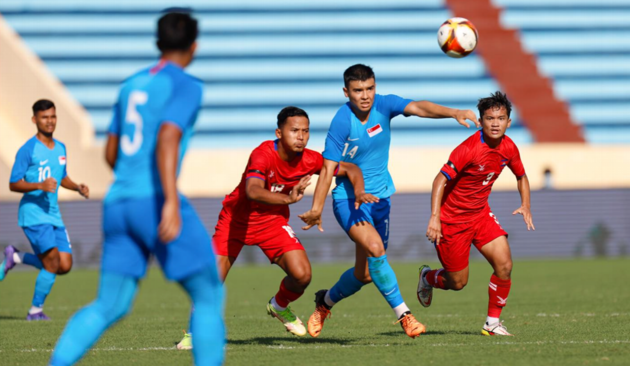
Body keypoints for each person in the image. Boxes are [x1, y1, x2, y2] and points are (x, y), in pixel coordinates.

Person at [48, 12, 225, 366]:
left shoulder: (131, 84)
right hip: (155, 199)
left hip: (117, 203)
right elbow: (167, 137)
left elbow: (111, 152)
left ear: (158, 44)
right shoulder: (187, 85)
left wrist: (132, 180)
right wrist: (170, 201)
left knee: (109, 304)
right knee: (207, 296)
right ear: (194, 46)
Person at [299, 64, 479, 338]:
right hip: (349, 200)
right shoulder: (341, 120)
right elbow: (327, 169)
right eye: (358, 90)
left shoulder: (385, 105)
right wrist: (316, 208)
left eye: (370, 88)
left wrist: (454, 112)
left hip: (381, 199)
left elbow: (419, 107)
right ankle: (405, 316)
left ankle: (324, 303)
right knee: (375, 249)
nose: (365, 95)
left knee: (365, 275)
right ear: (346, 92)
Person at [176, 106, 375, 349]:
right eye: (294, 131)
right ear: (278, 133)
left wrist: (360, 191)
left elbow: (351, 169)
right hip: (236, 222)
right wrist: (288, 199)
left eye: (305, 131)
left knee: (302, 275)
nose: (301, 136)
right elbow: (252, 191)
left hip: (271, 223)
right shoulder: (262, 154)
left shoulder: (310, 159)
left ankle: (279, 305)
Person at [416, 91, 535, 336]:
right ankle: (428, 277)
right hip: (452, 221)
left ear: (508, 122)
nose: (495, 123)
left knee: (505, 264)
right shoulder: (469, 148)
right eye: (490, 118)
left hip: (480, 214)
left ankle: (492, 323)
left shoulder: (510, 148)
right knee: (457, 283)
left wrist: (526, 204)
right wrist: (435, 217)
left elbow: (521, 176)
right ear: (480, 122)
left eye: (500, 118)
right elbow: (439, 180)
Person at [1, 99, 89, 321]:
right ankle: (35, 311)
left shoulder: (61, 148)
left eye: (53, 116)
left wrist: (76, 186)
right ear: (35, 119)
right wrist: (39, 185)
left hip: (53, 214)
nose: (49, 121)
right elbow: (13, 183)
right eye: (44, 117)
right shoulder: (27, 150)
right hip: (32, 214)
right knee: (51, 263)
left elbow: (62, 176)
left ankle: (16, 257)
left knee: (64, 265)